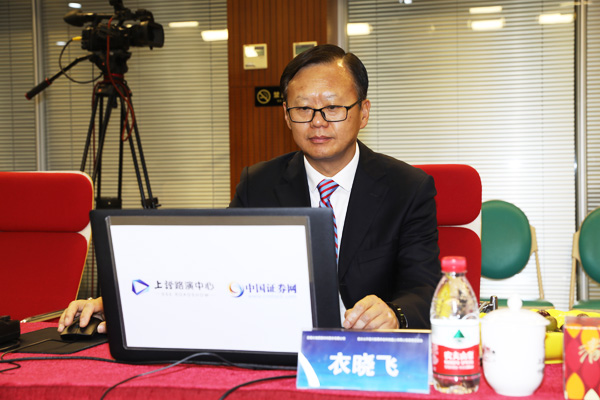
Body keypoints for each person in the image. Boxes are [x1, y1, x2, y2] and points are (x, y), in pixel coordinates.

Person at [58, 44, 441, 334]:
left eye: (333, 107)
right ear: (286, 116)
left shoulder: (407, 188)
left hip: (367, 349)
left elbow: (424, 288)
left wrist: (395, 314)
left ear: (363, 112)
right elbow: (212, 266)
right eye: (302, 109)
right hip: (280, 345)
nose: (317, 122)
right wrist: (118, 301)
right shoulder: (258, 183)